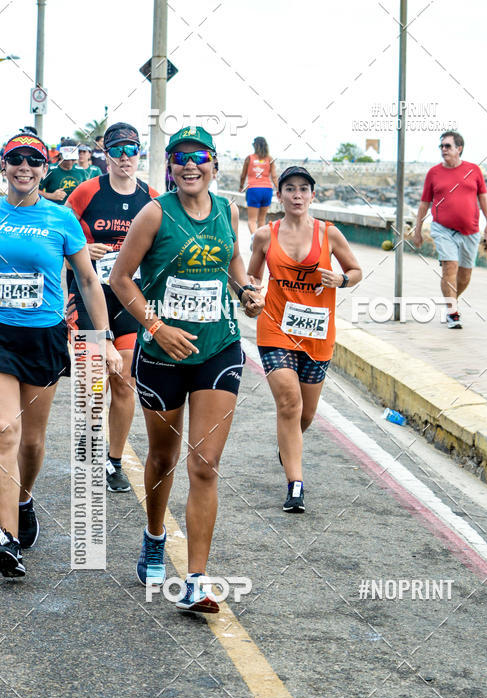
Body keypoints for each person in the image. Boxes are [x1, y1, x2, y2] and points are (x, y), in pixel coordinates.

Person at [110, 126, 263, 614]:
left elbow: (233, 263)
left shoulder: (227, 210)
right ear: (170, 167)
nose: (189, 165)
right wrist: (155, 327)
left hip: (218, 347)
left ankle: (196, 578)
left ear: (215, 164)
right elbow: (119, 279)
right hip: (162, 354)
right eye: (179, 158)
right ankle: (155, 534)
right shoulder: (155, 213)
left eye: (199, 157)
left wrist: (246, 294)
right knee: (162, 459)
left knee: (204, 464)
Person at [0, 133, 122, 578]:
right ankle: (6, 537)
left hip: (44, 337)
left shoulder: (61, 218)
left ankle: (23, 497)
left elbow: (89, 282)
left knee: (31, 441)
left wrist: (103, 338)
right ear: (4, 165)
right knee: (4, 431)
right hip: (0, 336)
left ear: (45, 168)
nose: (24, 167)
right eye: (16, 159)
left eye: (34, 160)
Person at [247, 166, 362, 513]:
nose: (297, 195)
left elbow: (356, 271)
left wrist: (339, 280)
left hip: (316, 333)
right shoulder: (266, 235)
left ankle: (289, 444)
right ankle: (295, 485)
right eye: (290, 189)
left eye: (303, 189)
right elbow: (252, 273)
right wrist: (253, 292)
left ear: (313, 195)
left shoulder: (330, 234)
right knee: (289, 403)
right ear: (279, 196)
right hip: (276, 328)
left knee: (305, 415)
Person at [67, 122, 159, 493]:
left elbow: (160, 248)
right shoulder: (87, 192)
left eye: (131, 150)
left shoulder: (151, 198)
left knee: (124, 382)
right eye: (117, 150)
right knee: (92, 382)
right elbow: (62, 235)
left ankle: (114, 460)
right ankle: (89, 454)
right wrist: (82, 251)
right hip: (90, 295)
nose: (124, 157)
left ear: (139, 154)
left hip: (129, 298)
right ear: (106, 155)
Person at [413, 131, 487, 329]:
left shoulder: (474, 170)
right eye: (441, 146)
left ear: (459, 148)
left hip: (471, 230)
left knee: (465, 275)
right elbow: (424, 204)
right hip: (442, 228)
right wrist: (417, 229)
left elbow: (484, 198)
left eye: (447, 146)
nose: (443, 150)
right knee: (450, 266)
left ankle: (451, 302)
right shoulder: (433, 173)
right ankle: (452, 313)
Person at [239, 137, 277, 235]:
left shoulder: (249, 158)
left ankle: (254, 240)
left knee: (252, 220)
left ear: (254, 146)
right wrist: (279, 189)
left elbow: (243, 175)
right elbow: (274, 177)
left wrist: (241, 186)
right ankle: (261, 242)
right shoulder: (270, 159)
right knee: (262, 220)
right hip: (267, 190)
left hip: (253, 189)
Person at [39, 138, 86, 204]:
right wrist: (51, 196)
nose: (70, 162)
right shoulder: (50, 169)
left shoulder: (81, 171)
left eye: (73, 159)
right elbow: (34, 191)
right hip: (54, 211)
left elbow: (86, 191)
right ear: (60, 156)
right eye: (66, 159)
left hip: (74, 211)